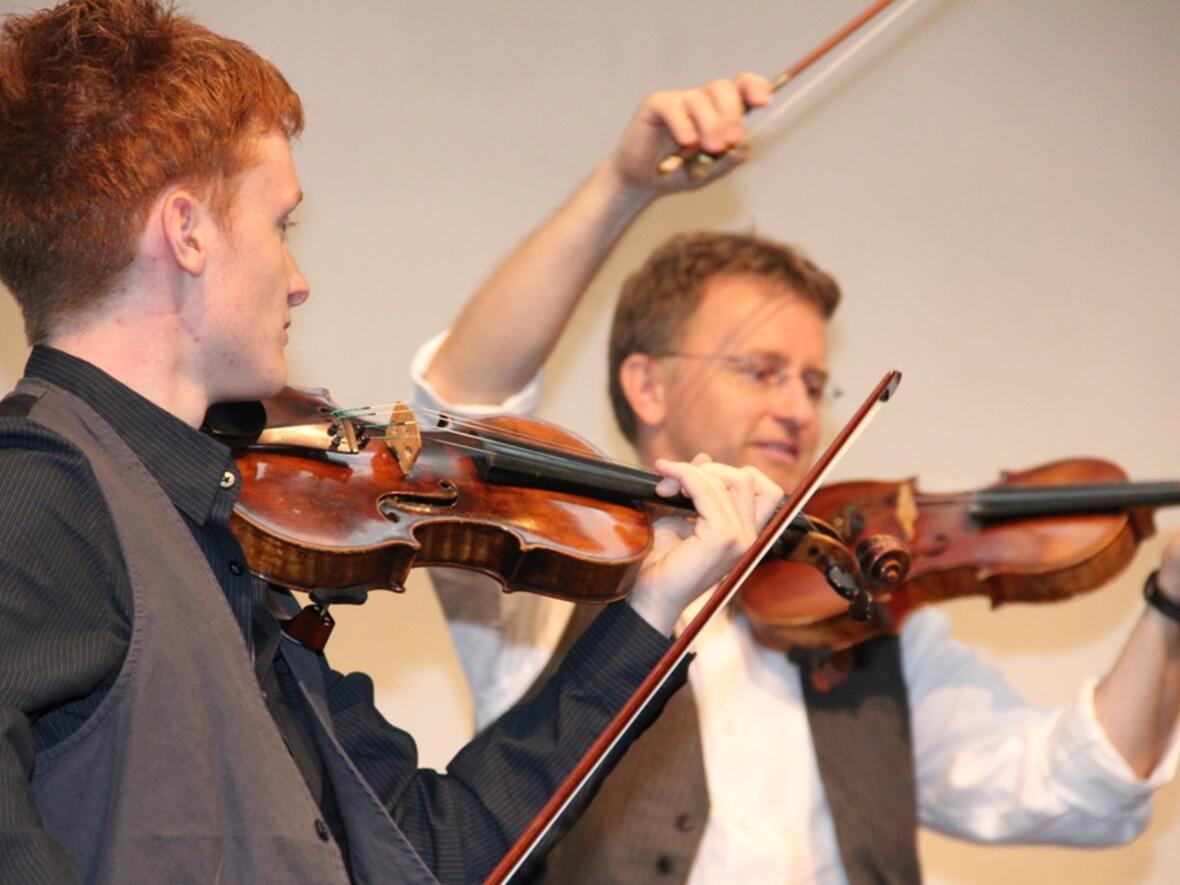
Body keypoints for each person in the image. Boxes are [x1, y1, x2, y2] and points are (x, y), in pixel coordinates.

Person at [0, 2, 784, 883]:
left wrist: (647, 610)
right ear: (186, 232)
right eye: (280, 225)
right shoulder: (41, 489)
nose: (299, 283)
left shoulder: (213, 530)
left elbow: (436, 848)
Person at [413, 75, 1180, 882]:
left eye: (813, 384)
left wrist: (1169, 609)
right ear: (648, 385)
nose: (797, 410)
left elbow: (1080, 787)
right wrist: (622, 186)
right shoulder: (557, 570)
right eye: (761, 370)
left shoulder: (866, 606)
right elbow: (462, 409)